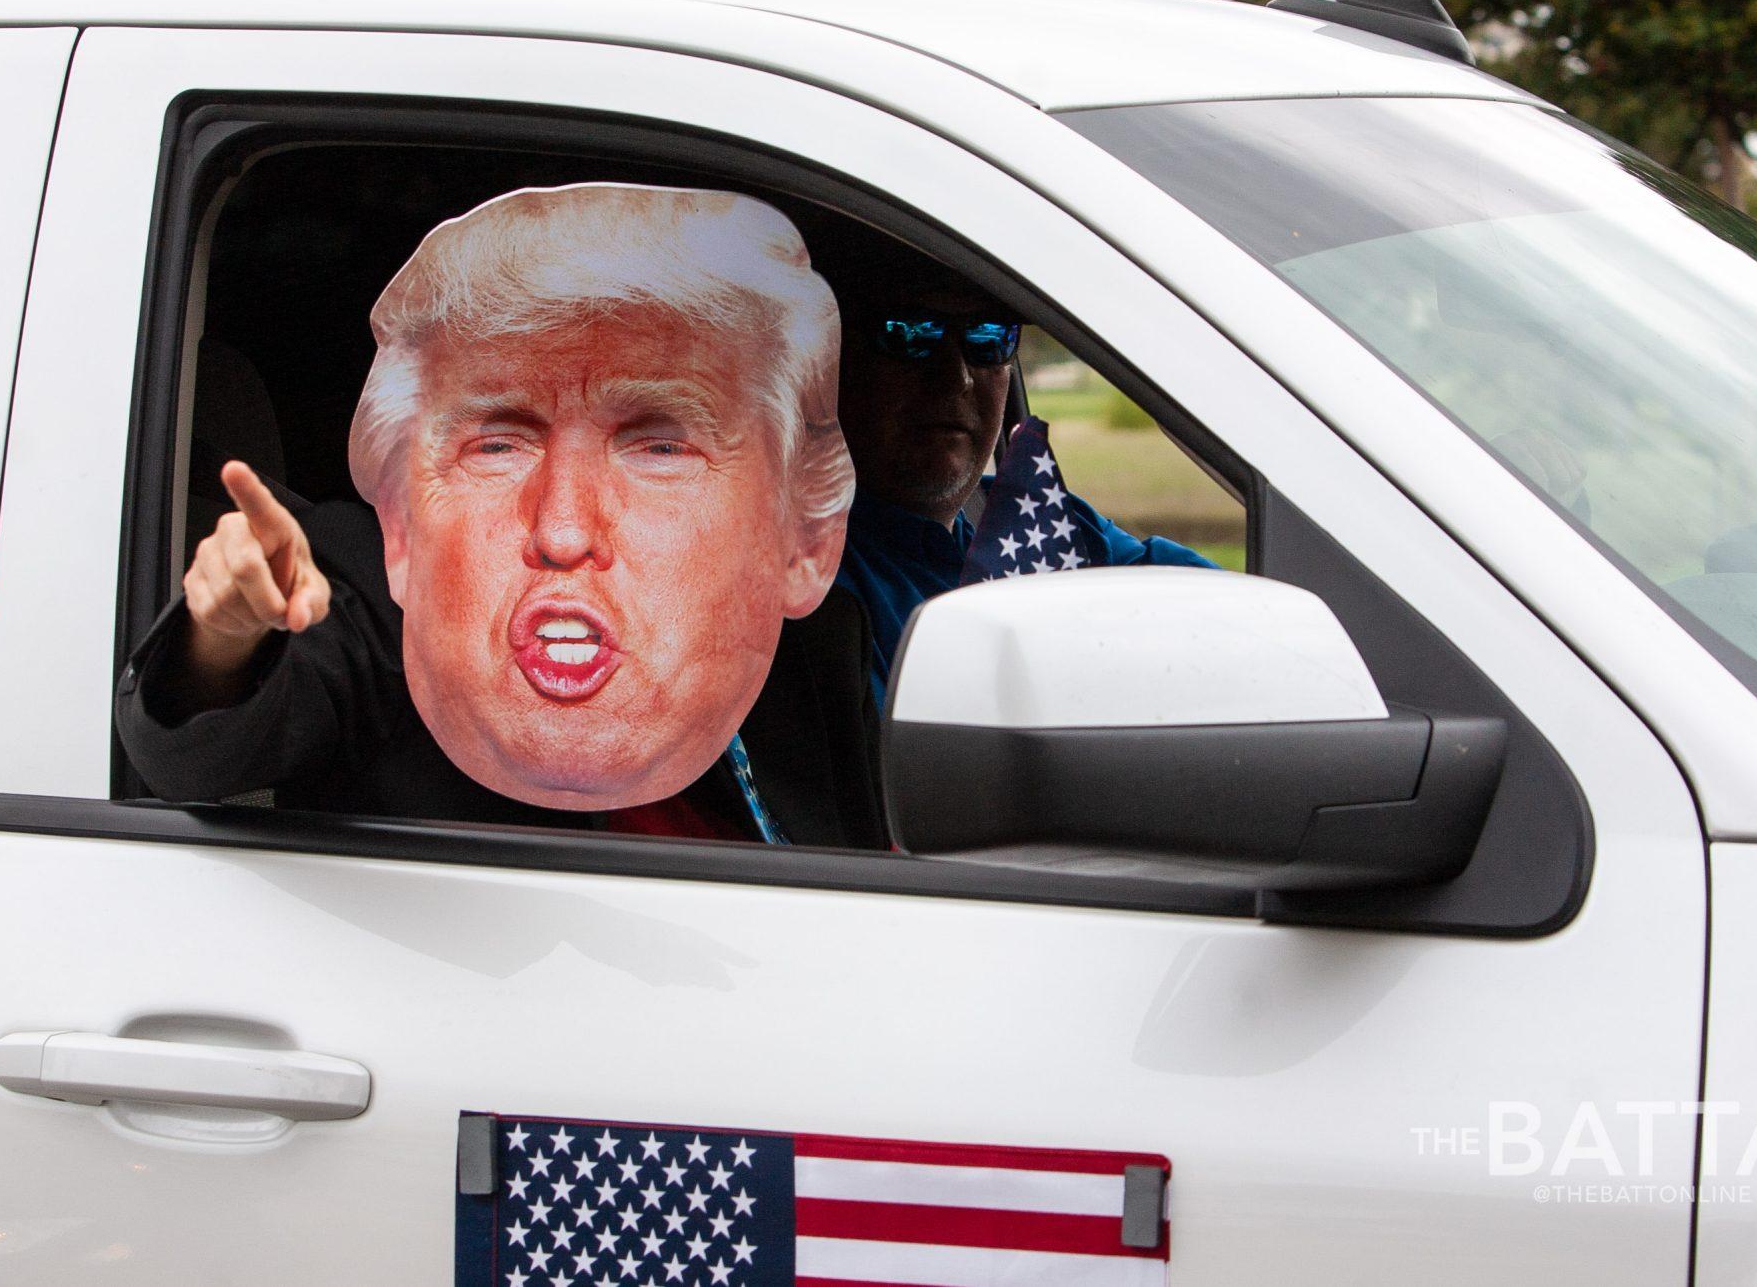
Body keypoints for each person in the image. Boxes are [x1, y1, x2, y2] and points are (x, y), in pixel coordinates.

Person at [117, 184, 867, 842]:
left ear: (803, 536)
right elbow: (192, 752)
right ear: (405, 532)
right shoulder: (375, 595)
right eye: (497, 446)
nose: (563, 528)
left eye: (660, 448)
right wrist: (224, 631)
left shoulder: (816, 654)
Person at [805, 223, 1216, 712]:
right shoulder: (806, 580)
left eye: (988, 338)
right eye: (911, 334)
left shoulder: (1028, 516)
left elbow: (1228, 612)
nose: (955, 376)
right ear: (829, 360)